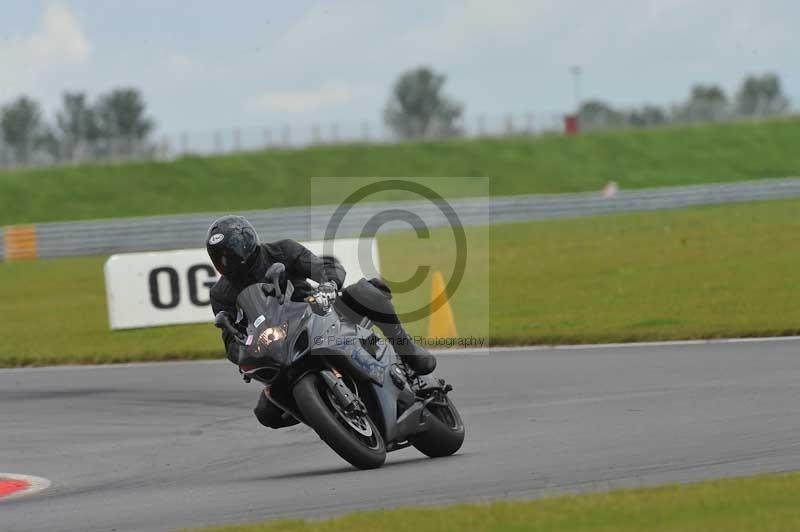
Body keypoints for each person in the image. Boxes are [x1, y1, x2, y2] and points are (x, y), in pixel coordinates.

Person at [206, 215, 437, 429]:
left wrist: (328, 286)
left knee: (367, 291)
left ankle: (406, 350)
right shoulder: (220, 294)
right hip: (280, 346)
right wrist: (243, 352)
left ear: (247, 242)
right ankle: (333, 418)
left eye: (231, 252)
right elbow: (229, 339)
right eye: (219, 257)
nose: (227, 261)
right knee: (267, 413)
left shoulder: (282, 250)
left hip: (318, 312)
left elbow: (325, 268)